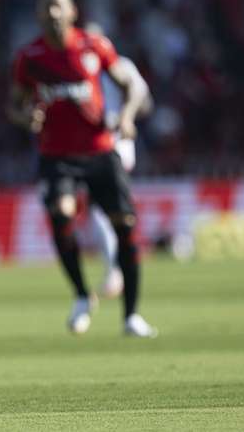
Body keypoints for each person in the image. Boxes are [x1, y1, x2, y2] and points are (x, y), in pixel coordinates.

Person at [7, 0, 157, 337]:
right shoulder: (29, 57)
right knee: (61, 214)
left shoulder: (94, 46)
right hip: (57, 156)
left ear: (72, 11)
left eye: (58, 7)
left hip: (101, 151)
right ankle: (81, 295)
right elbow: (13, 105)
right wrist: (25, 117)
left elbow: (131, 86)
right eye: (46, 8)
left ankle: (131, 315)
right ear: (39, 16)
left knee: (125, 225)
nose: (52, 13)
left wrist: (129, 117)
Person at [83, 22, 154, 299]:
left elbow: (144, 101)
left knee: (102, 209)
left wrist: (126, 113)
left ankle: (116, 269)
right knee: (103, 209)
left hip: (114, 144)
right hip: (92, 145)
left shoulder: (120, 65)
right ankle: (117, 266)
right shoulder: (80, 68)